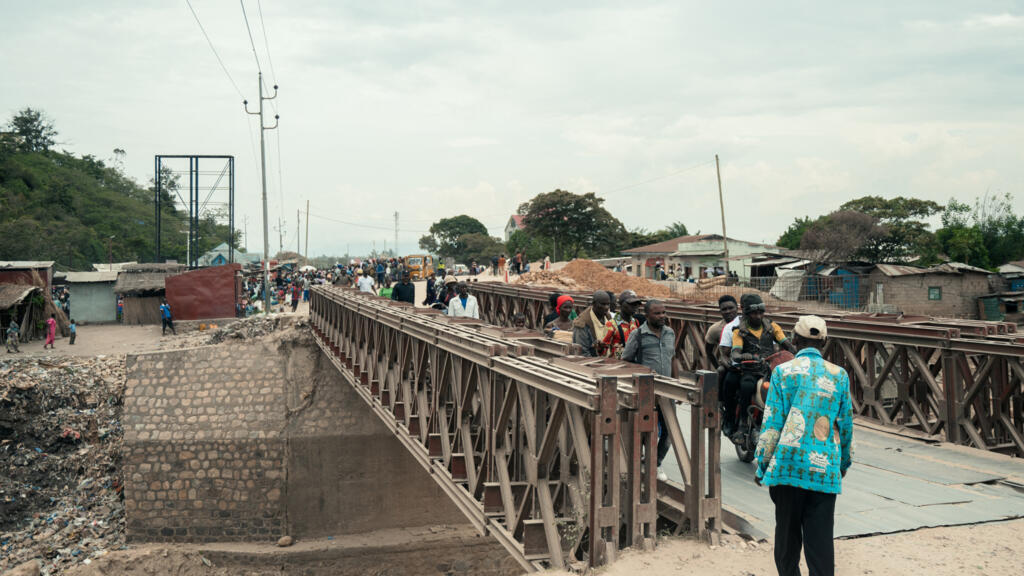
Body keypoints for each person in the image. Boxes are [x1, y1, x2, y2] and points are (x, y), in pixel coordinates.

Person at [755, 316, 853, 576]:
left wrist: (762, 464)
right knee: (820, 542)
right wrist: (842, 464)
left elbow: (772, 424)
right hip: (824, 470)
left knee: (787, 539)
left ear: (794, 340)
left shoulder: (782, 372)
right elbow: (845, 426)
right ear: (824, 342)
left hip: (788, 467)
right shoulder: (839, 376)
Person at [622, 299, 678, 481]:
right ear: (647, 315)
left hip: (667, 391)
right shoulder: (638, 335)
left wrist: (677, 385)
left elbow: (673, 358)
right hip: (646, 392)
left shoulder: (670, 333)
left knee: (670, 431)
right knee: (647, 429)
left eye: (663, 312)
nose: (662, 316)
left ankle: (655, 462)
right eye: (657, 313)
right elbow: (626, 361)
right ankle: (640, 465)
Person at [730, 294, 796, 436]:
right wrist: (744, 356)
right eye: (754, 313)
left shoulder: (772, 327)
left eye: (761, 312)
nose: (758, 316)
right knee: (746, 385)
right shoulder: (739, 331)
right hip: (751, 370)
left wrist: (796, 352)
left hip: (771, 370)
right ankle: (742, 424)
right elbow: (735, 353)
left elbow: (787, 344)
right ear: (746, 313)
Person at [705, 295, 741, 435]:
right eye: (724, 309)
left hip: (749, 364)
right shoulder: (716, 329)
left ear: (737, 308)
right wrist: (718, 364)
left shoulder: (746, 323)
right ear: (720, 311)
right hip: (729, 365)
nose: (727, 311)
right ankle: (720, 404)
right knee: (720, 372)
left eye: (731, 308)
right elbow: (708, 350)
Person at [602, 290, 643, 359]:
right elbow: (603, 351)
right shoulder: (611, 325)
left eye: (636, 304)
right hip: (617, 364)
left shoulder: (635, 322)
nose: (634, 307)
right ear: (621, 304)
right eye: (631, 304)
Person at [572, 291, 612, 357]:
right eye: (603, 304)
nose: (606, 307)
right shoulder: (582, 323)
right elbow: (583, 353)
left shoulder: (608, 317)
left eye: (608, 304)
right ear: (594, 304)